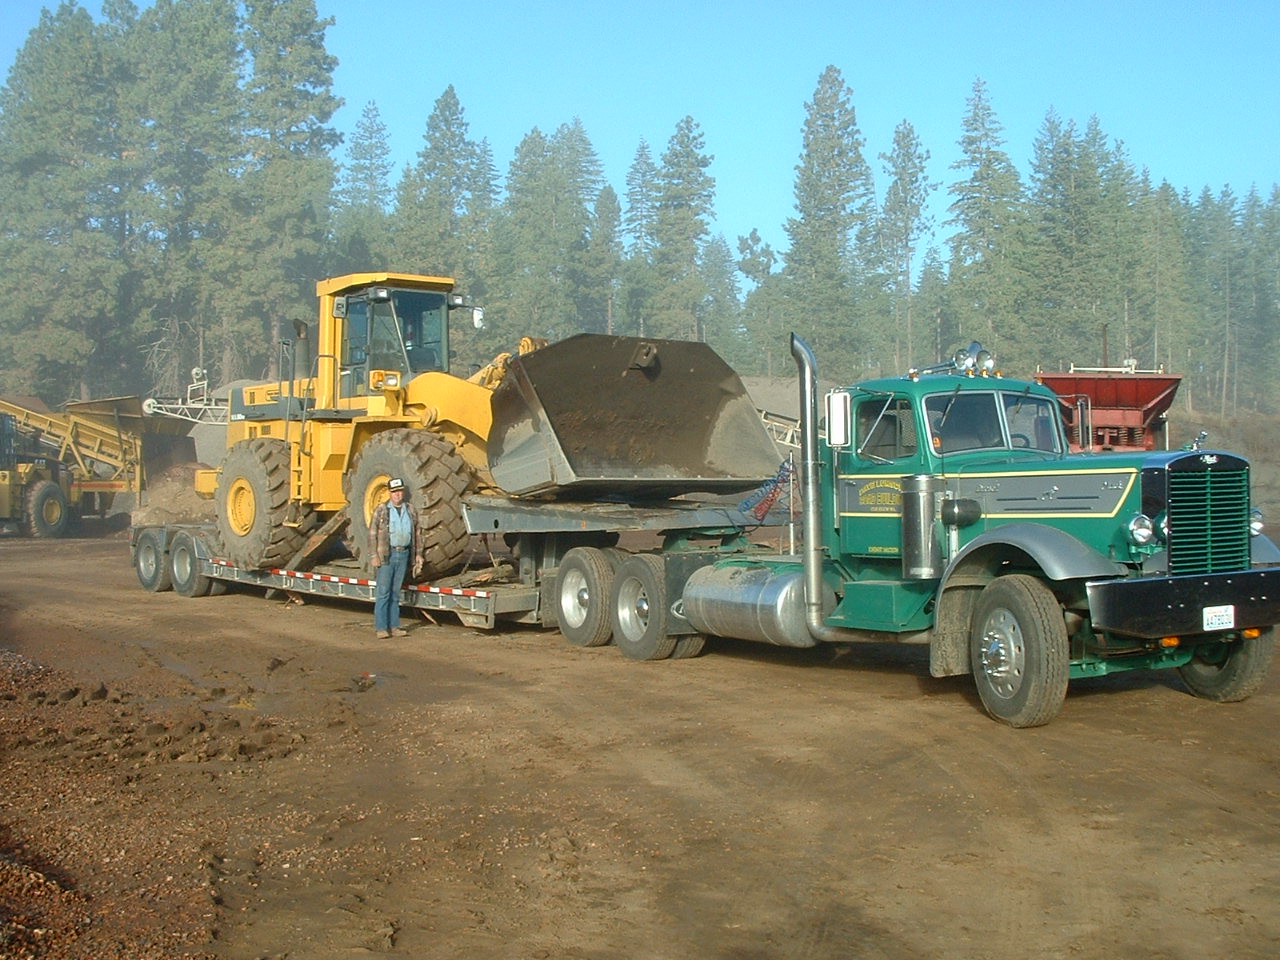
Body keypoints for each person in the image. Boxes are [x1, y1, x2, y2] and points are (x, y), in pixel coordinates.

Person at [368, 477, 423, 638]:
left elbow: (418, 534)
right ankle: (381, 628)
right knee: (383, 592)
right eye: (394, 492)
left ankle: (395, 626)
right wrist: (374, 555)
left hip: (404, 554)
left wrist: (418, 555)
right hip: (387, 555)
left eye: (399, 491)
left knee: (395, 592)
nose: (397, 494)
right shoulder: (382, 510)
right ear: (390, 493)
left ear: (403, 492)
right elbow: (372, 534)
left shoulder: (411, 510)